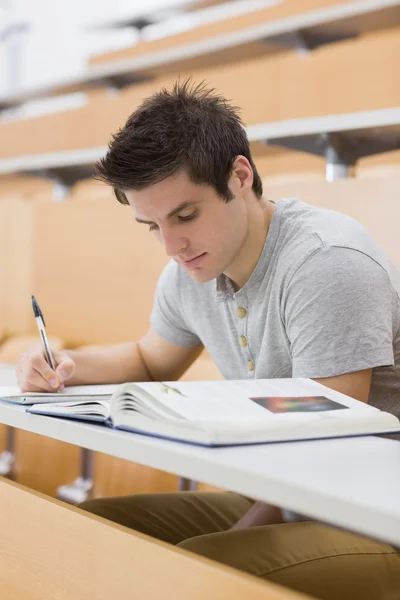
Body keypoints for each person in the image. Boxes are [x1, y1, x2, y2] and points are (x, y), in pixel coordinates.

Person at [17, 81, 400, 599]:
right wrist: (63, 364)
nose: (171, 246)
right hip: (290, 496)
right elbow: (149, 360)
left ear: (240, 176)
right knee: (97, 527)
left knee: (196, 569)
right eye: (151, 226)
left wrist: (228, 542)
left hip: (375, 511)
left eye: (185, 215)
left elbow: (328, 444)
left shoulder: (326, 263)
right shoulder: (191, 268)